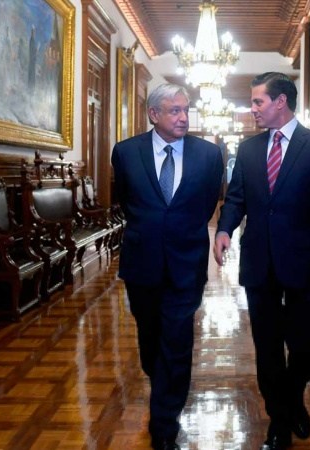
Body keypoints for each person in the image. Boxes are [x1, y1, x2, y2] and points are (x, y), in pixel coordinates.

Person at [213, 72, 310, 450]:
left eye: (258, 102)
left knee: (307, 342)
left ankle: (292, 397)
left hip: (304, 263)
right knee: (268, 345)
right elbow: (236, 198)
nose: (252, 109)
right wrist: (224, 229)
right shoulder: (249, 150)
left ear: (280, 102)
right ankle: (279, 421)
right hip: (258, 263)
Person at [111, 83, 224, 450]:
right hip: (142, 262)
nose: (183, 117)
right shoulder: (126, 152)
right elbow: (126, 201)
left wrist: (179, 230)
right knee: (150, 339)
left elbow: (207, 204)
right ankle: (162, 381)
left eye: (185, 110)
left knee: (177, 339)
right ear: (154, 114)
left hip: (186, 262)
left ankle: (164, 423)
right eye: (174, 110)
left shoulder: (209, 154)